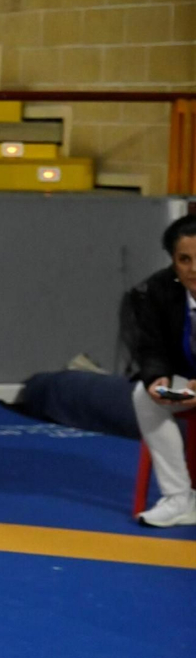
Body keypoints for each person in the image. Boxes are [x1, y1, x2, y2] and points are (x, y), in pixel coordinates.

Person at [122, 213, 196, 528]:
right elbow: (148, 346)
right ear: (172, 261)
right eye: (184, 259)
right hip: (187, 381)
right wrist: (157, 379)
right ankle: (180, 498)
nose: (194, 268)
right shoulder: (157, 290)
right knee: (143, 396)